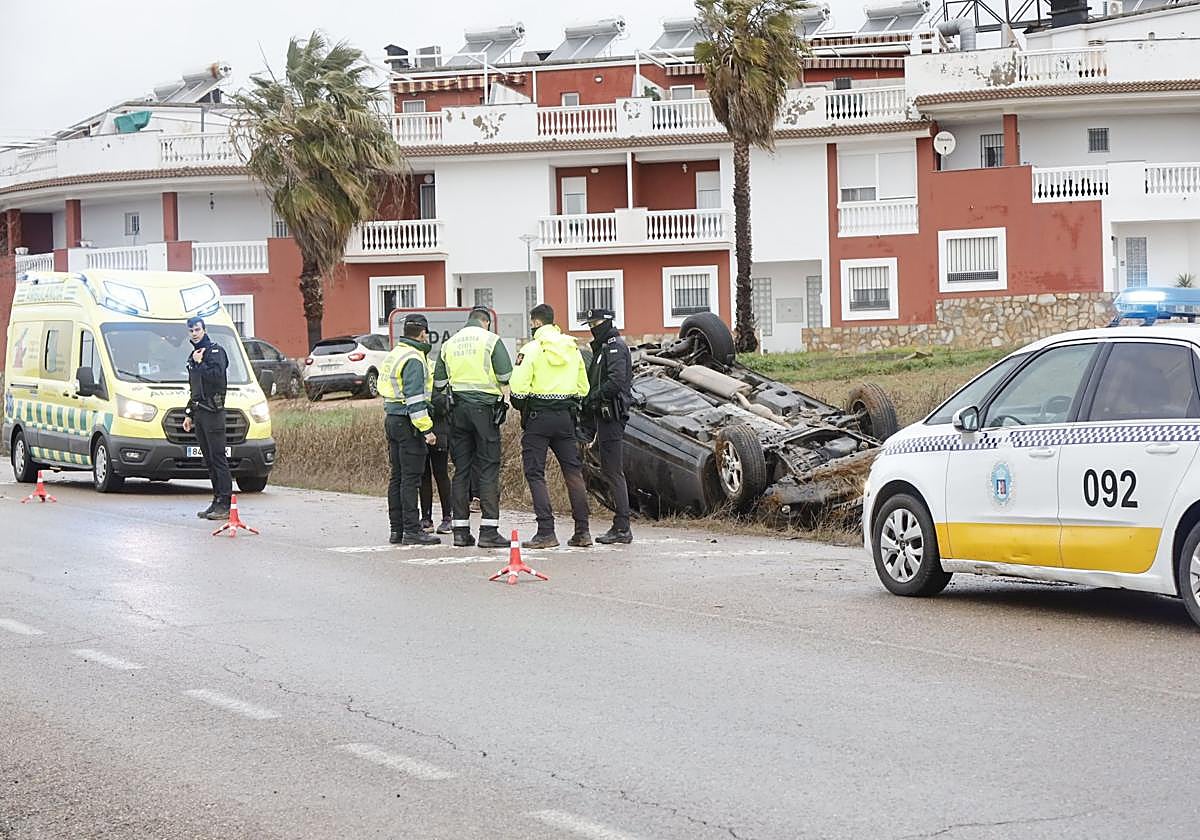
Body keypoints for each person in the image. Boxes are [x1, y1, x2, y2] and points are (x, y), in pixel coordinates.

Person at [509, 303, 591, 549]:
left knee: (535, 473)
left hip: (538, 418)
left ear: (535, 322)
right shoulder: (571, 347)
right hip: (566, 417)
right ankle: (582, 531)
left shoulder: (531, 349)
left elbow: (518, 388)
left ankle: (546, 531)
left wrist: (524, 405)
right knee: (573, 472)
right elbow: (583, 388)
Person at [433, 306, 513, 548]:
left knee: (461, 470)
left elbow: (438, 382)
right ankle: (489, 531)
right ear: (486, 322)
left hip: (457, 412)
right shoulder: (491, 340)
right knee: (488, 468)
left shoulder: (450, 343)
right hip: (484, 412)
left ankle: (460, 531)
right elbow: (507, 375)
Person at [379, 314, 440, 546]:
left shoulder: (395, 354)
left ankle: (397, 530)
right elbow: (415, 399)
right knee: (410, 479)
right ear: (423, 332)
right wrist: (427, 429)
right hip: (409, 423)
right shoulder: (414, 358)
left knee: (397, 477)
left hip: (392, 418)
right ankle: (413, 531)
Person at [583, 307, 634, 544]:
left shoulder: (614, 346)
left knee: (613, 472)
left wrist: (593, 397)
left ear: (606, 322)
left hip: (612, 416)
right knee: (610, 470)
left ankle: (622, 526)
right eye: (590, 324)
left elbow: (615, 382)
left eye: (595, 323)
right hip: (605, 417)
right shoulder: (604, 347)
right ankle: (620, 524)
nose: (593, 328)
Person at [182, 316, 231, 521]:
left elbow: (217, 377)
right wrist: (189, 413)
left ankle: (225, 503)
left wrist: (200, 364)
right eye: (191, 330)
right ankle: (216, 500)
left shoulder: (215, 351)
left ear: (204, 330)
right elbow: (196, 388)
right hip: (200, 412)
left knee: (218, 458)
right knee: (208, 459)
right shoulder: (193, 355)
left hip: (213, 411)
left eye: (197, 330)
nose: (194, 333)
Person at [418, 414, 452, 535]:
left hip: (439, 429)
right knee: (423, 476)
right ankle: (426, 518)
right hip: (420, 431)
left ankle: (448, 517)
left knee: (441, 474)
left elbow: (443, 406)